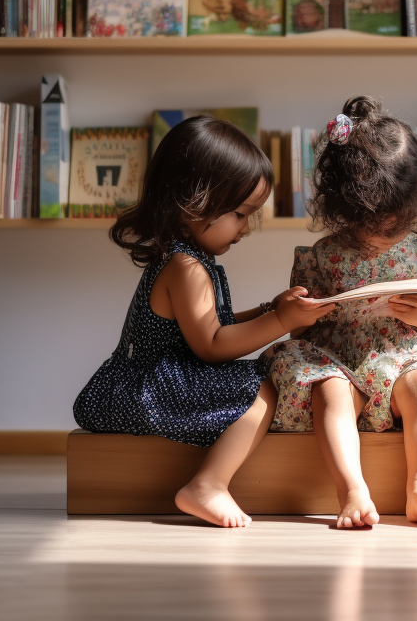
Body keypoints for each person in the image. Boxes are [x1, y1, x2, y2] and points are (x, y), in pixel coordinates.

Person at [74, 115, 333, 528]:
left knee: (264, 375)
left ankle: (211, 481)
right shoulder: (185, 267)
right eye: (239, 213)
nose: (245, 228)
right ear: (190, 202)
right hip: (146, 389)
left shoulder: (192, 261)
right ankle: (207, 485)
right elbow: (211, 344)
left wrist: (270, 309)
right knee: (260, 387)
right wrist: (281, 321)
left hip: (163, 379)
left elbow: (219, 323)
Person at [267, 96, 417, 529]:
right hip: (337, 358)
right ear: (343, 208)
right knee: (328, 389)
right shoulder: (321, 255)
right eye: (369, 224)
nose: (383, 236)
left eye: (395, 223)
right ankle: (352, 492)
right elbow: (298, 331)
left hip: (402, 357)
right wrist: (304, 311)